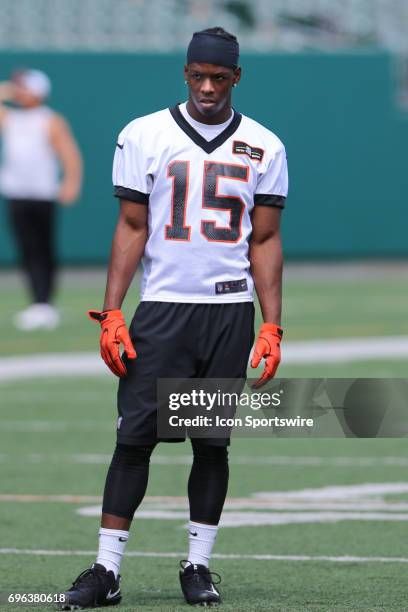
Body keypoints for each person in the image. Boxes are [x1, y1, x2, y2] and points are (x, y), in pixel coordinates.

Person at [61, 27, 288, 608]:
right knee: (135, 439)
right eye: (197, 76)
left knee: (211, 444)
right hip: (162, 309)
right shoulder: (145, 133)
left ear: (238, 77)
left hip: (228, 310)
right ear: (185, 73)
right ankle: (107, 571)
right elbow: (132, 226)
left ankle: (198, 565)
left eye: (219, 77)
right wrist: (112, 312)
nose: (207, 87)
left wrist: (271, 322)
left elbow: (264, 239)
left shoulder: (265, 144)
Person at [0, 69, 82, 330]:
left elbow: (69, 153)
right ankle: (36, 302)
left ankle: (45, 303)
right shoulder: (10, 117)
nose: (21, 92)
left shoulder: (50, 120)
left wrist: (71, 182)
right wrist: (9, 91)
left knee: (43, 249)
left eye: (25, 87)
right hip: (16, 192)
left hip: (42, 193)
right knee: (26, 249)